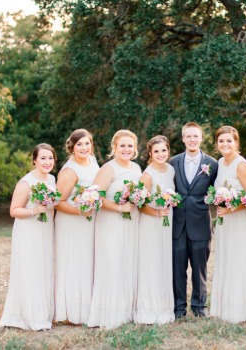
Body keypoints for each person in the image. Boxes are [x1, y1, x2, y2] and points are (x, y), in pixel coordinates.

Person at [87, 130, 142, 329]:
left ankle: (127, 310)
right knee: (112, 262)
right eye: (122, 146)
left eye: (130, 146)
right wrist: (119, 207)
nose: (126, 149)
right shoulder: (108, 169)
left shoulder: (137, 168)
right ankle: (110, 313)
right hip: (111, 222)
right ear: (115, 147)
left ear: (135, 149)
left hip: (131, 222)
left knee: (128, 262)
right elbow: (95, 198)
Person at [0, 143, 57, 330]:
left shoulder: (52, 180)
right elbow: (13, 211)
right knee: (30, 270)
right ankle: (29, 315)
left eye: (50, 158)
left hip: (45, 230)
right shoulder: (26, 182)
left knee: (43, 269)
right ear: (34, 160)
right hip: (29, 230)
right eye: (43, 158)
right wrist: (34, 210)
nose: (47, 162)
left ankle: (43, 313)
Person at [209, 125, 246, 323]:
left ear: (236, 142)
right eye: (221, 141)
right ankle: (224, 306)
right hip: (225, 220)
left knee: (239, 260)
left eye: (229, 140)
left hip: (240, 220)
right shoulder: (220, 162)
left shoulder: (241, 165)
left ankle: (242, 309)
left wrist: (232, 208)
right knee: (227, 258)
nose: (225, 144)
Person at [169, 122, 218, 319]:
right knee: (178, 269)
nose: (192, 140)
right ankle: (179, 308)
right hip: (178, 224)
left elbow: (217, 191)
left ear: (201, 138)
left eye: (195, 136)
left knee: (200, 269)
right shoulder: (173, 162)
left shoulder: (212, 164)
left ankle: (199, 306)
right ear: (183, 138)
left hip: (200, 222)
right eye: (188, 136)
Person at [54, 129, 100, 325]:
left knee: (88, 262)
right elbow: (57, 202)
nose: (84, 148)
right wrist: (80, 210)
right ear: (71, 147)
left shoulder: (93, 161)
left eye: (87, 143)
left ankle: (88, 308)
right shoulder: (69, 171)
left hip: (90, 222)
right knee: (73, 263)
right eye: (79, 144)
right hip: (72, 222)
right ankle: (71, 313)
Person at [134, 135, 175, 325]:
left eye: (164, 150)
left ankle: (164, 306)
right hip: (152, 223)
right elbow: (140, 204)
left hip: (167, 222)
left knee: (163, 261)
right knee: (152, 262)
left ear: (168, 151)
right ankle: (149, 308)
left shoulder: (171, 170)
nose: (161, 154)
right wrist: (157, 213)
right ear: (150, 153)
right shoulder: (147, 175)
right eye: (156, 151)